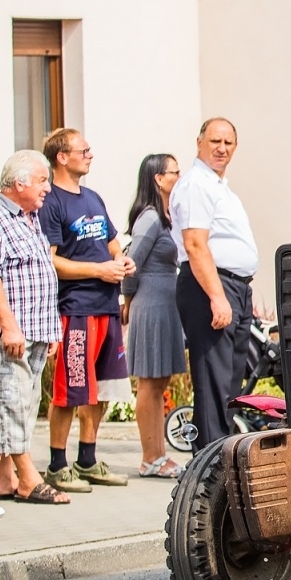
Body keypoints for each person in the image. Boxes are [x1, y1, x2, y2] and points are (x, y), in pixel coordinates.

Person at [38, 129, 134, 493]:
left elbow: (112, 245)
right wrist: (99, 270)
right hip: (75, 309)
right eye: (84, 150)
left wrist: (122, 262)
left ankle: (88, 460)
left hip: (107, 305)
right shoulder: (52, 202)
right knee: (70, 390)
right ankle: (57, 465)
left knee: (103, 389)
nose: (90, 155)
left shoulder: (92, 197)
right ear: (62, 157)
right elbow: (51, 262)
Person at [0, 151, 68, 505]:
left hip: (35, 328)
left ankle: (3, 478)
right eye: (43, 180)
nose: (48, 187)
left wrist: (49, 326)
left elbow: (38, 273)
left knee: (25, 402)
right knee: (9, 400)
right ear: (19, 183)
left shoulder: (30, 218)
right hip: (9, 331)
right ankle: (28, 478)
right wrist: (9, 327)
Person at [170, 118, 258, 451]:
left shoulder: (220, 185)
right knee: (213, 382)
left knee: (229, 383)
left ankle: (221, 456)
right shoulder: (196, 183)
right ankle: (209, 465)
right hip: (210, 286)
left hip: (234, 287)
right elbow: (195, 244)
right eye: (215, 141)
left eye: (228, 143)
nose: (221, 148)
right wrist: (218, 297)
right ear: (199, 142)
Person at [123, 153, 185, 478]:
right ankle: (150, 457)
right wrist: (128, 300)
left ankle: (159, 456)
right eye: (175, 171)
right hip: (150, 303)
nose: (180, 176)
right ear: (159, 178)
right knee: (149, 383)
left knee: (160, 381)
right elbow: (130, 264)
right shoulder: (148, 217)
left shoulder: (166, 216)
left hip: (165, 303)